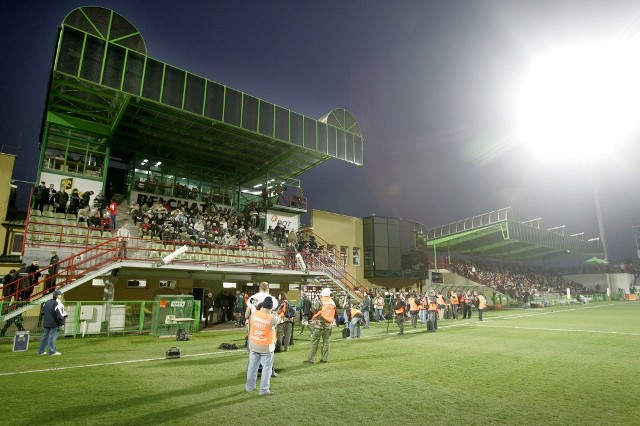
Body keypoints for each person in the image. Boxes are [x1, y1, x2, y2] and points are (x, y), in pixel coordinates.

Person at [245, 296, 280, 397]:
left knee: (252, 367)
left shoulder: (255, 314)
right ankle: (264, 390)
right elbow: (279, 319)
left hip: (254, 344)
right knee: (267, 369)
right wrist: (272, 311)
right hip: (266, 347)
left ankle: (249, 387)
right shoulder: (272, 318)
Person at [303, 288, 335, 364]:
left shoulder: (321, 301)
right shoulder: (332, 302)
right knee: (326, 342)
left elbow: (313, 310)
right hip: (328, 325)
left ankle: (311, 359)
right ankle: (324, 359)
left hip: (319, 324)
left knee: (314, 342)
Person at [38, 289, 66, 356]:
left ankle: (41, 351)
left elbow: (43, 312)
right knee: (52, 337)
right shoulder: (58, 304)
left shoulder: (47, 302)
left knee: (45, 337)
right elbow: (59, 314)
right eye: (61, 295)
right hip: (54, 323)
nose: (61, 296)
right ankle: (52, 351)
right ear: (58, 296)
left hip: (46, 322)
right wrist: (62, 323)